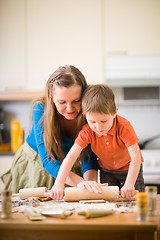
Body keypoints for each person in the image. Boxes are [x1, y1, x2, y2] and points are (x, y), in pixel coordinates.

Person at [1, 65, 99, 193]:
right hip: (37, 164)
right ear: (51, 97)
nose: (70, 108)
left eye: (76, 100)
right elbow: (47, 160)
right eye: (62, 102)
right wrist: (82, 183)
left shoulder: (89, 113)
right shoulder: (40, 109)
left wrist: (91, 184)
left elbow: (88, 156)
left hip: (69, 166)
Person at [50, 84, 145, 200]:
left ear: (115, 113)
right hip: (107, 171)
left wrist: (129, 183)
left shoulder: (124, 127)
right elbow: (71, 157)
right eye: (92, 121)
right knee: (110, 200)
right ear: (85, 116)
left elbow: (136, 157)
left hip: (130, 169)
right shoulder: (87, 131)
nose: (98, 127)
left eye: (104, 121)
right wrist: (59, 182)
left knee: (135, 199)